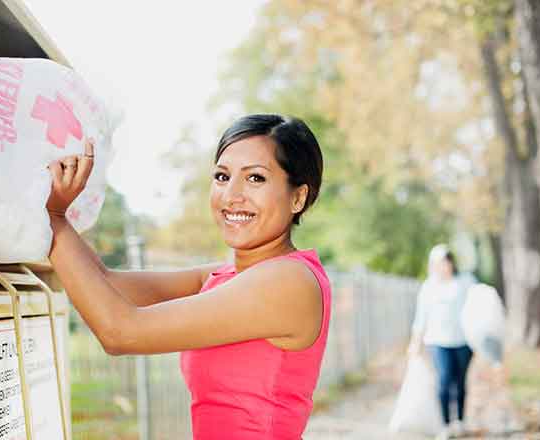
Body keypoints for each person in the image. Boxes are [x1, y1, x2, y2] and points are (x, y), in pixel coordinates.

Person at [45, 114, 331, 439]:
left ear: (298, 197)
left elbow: (120, 331)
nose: (232, 195)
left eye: (255, 179)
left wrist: (53, 218)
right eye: (222, 177)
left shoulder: (289, 282)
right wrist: (56, 208)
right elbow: (105, 283)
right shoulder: (224, 276)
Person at [408, 244, 475, 440]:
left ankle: (460, 421)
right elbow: (421, 318)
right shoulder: (428, 287)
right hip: (438, 341)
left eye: (446, 262)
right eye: (438, 263)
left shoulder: (466, 282)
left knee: (460, 382)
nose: (443, 266)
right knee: (444, 381)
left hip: (463, 341)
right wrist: (415, 343)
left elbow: (478, 307)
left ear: (452, 263)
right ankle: (445, 425)